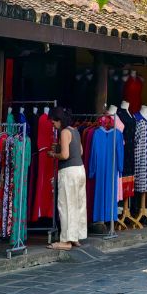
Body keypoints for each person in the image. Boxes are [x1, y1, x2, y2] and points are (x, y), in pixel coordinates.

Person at [47, 107, 87, 250]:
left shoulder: (64, 132)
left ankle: (66, 241)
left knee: (66, 205)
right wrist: (58, 147)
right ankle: (75, 237)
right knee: (78, 204)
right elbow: (80, 151)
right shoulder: (74, 130)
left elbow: (64, 155)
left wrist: (53, 154)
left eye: (53, 123)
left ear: (59, 121)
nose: (53, 125)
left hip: (69, 172)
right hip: (80, 170)